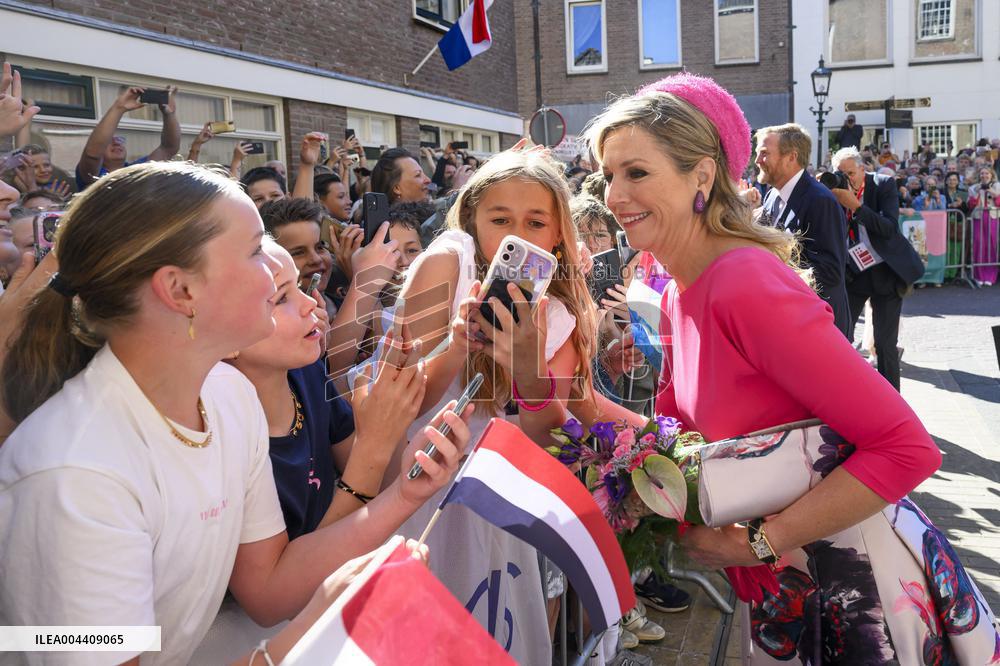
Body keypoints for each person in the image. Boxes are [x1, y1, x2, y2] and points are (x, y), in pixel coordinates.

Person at [579, 72, 983, 664]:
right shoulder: (677, 293)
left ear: (702, 175)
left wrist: (756, 544)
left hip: (853, 589)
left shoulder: (742, 283)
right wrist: (558, 396)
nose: (614, 196)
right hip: (786, 591)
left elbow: (906, 448)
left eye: (636, 173)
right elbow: (685, 444)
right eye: (608, 175)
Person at [0, 161, 468, 664]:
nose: (274, 269)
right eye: (252, 251)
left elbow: (268, 588)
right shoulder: (76, 474)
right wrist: (292, 644)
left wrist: (406, 492)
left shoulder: (227, 394)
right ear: (180, 291)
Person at [387, 146, 597, 664]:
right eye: (499, 219)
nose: (516, 236)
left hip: (499, 488)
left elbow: (546, 434)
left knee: (494, 630)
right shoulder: (449, 259)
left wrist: (528, 364)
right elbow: (404, 398)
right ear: (473, 217)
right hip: (423, 476)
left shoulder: (560, 311)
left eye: (535, 221)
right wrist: (459, 341)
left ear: (557, 234)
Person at [828, 146, 924, 391]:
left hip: (886, 272)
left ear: (862, 168)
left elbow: (889, 228)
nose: (846, 178)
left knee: (884, 344)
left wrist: (857, 207)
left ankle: (893, 405)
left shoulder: (883, 184)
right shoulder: (833, 192)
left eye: (850, 173)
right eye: (840, 173)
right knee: (838, 337)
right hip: (853, 273)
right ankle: (843, 395)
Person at [755, 123, 850, 335]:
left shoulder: (820, 201)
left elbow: (829, 272)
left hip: (817, 328)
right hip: (787, 322)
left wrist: (774, 278)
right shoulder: (772, 196)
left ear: (791, 157)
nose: (757, 161)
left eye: (764, 153)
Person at [74, 85, 180, 190]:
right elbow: (92, 154)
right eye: (109, 141)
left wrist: (170, 115)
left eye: (119, 140)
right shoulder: (93, 175)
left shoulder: (135, 170)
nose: (116, 143)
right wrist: (119, 108)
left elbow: (168, 149)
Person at [968, 167, 1000, 286]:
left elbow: (999, 203)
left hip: (992, 217)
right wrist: (977, 192)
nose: (984, 175)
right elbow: (971, 205)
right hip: (978, 217)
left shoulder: (997, 186)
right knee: (978, 245)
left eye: (987, 173)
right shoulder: (973, 188)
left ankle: (990, 276)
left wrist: (992, 191)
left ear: (991, 175)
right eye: (982, 173)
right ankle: (979, 275)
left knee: (991, 245)